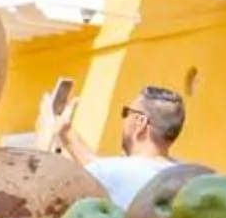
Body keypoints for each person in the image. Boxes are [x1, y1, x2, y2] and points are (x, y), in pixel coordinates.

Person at [59, 84, 187, 206]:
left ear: (140, 122)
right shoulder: (188, 175)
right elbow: (107, 168)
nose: (124, 119)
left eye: (127, 112)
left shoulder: (107, 173)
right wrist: (66, 132)